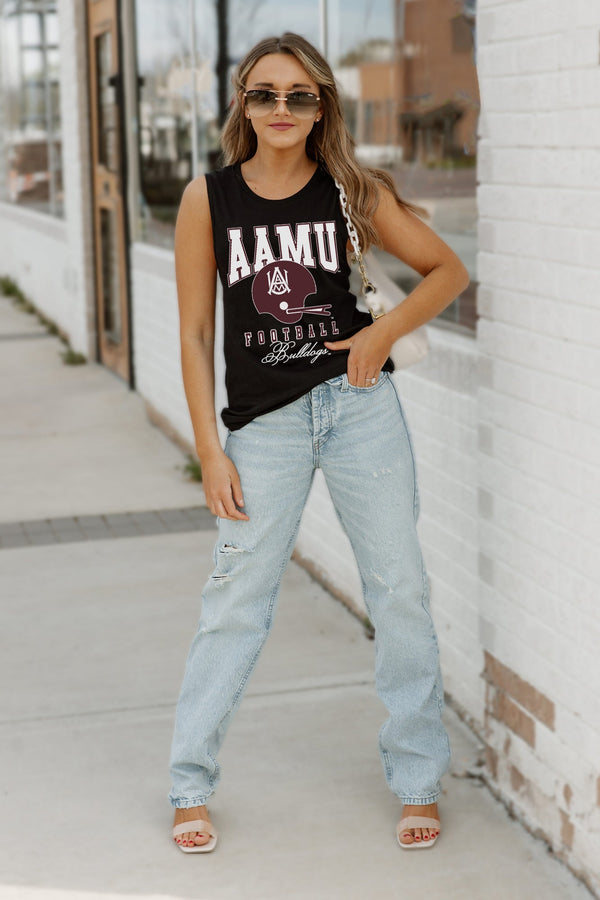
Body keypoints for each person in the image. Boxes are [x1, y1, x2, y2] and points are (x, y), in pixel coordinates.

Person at [168, 31, 469, 854]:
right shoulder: (211, 200)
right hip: (262, 426)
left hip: (359, 407)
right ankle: (188, 784)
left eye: (300, 96)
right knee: (235, 601)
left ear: (321, 105)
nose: (281, 110)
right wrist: (209, 447)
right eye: (265, 94)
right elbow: (196, 333)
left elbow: (447, 271)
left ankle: (418, 779)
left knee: (399, 588)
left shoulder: (349, 188)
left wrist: (380, 338)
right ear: (243, 104)